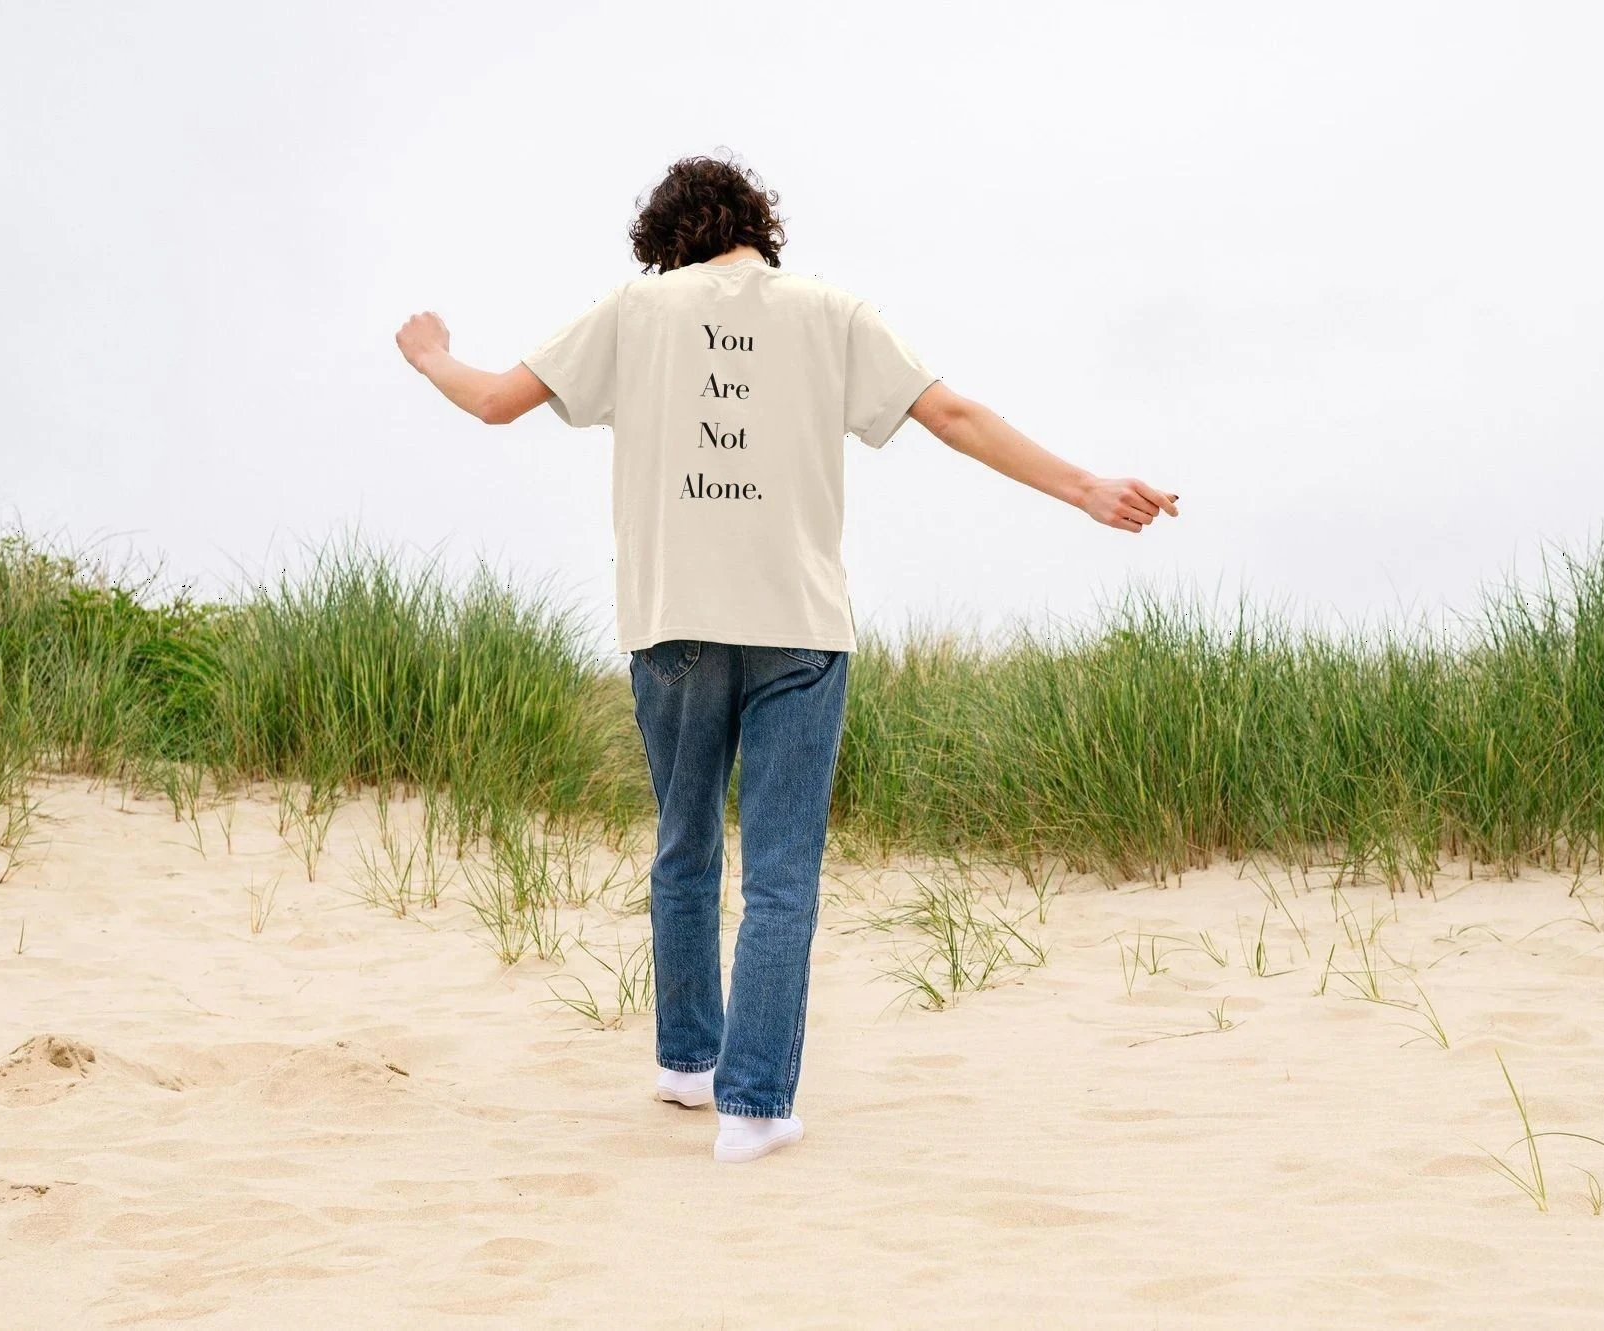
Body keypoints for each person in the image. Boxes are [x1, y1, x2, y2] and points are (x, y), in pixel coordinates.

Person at [395, 154, 1178, 1164]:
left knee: (684, 847)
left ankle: (689, 1062)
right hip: (797, 625)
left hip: (671, 621)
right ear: (756, 226)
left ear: (664, 243)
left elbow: (495, 401)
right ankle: (753, 1108)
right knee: (780, 876)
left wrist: (432, 356)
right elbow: (952, 416)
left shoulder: (633, 311)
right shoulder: (829, 310)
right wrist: (1083, 488)